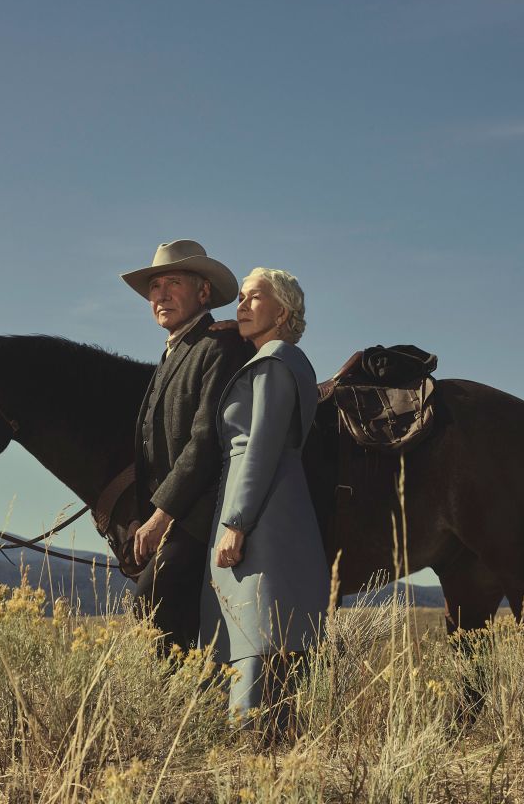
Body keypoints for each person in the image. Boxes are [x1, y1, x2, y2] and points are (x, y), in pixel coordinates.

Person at [199, 267, 328, 725]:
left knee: (257, 632)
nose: (242, 305)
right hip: (266, 508)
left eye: (255, 298)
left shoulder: (274, 361)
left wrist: (236, 523)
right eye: (240, 300)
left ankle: (253, 748)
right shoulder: (278, 357)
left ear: (284, 311)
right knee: (258, 631)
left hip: (261, 516)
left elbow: (261, 444)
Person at [120, 240, 251, 653]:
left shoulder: (218, 347)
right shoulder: (176, 352)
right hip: (179, 515)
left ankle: (175, 711)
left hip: (203, 518)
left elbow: (205, 441)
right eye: (154, 287)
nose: (160, 295)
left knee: (151, 606)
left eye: (172, 282)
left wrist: (160, 518)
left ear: (203, 292)